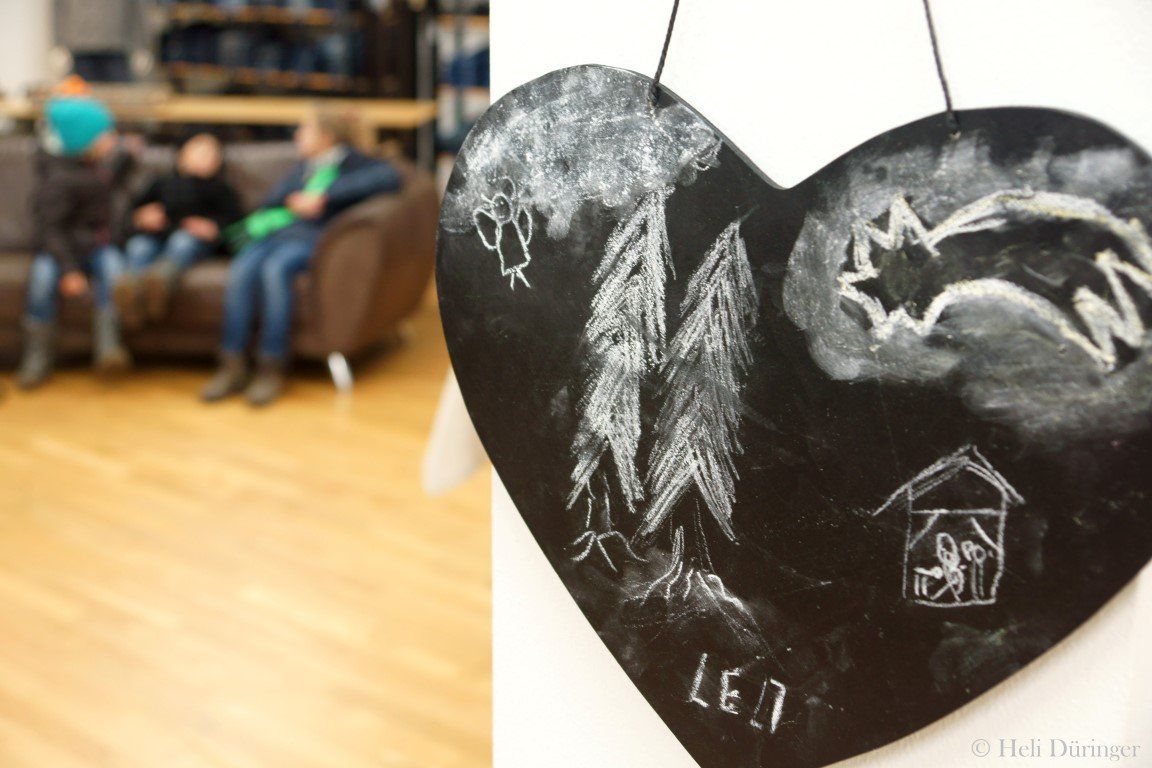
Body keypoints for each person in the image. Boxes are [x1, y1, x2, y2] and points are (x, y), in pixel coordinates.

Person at [201, 107, 402, 407]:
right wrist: (291, 199)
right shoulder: (303, 167)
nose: (296, 136)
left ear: (326, 136)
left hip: (311, 238)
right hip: (277, 234)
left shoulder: (353, 162)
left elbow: (388, 176)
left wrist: (325, 196)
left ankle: (271, 365)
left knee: (276, 270)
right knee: (243, 268)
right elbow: (272, 201)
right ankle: (232, 364)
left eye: (304, 130)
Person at [17, 90, 137, 390]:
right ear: (83, 140)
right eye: (107, 134)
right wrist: (69, 270)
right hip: (60, 250)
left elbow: (117, 171)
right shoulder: (58, 179)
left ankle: (109, 347)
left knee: (115, 270)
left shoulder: (97, 167)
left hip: (96, 246)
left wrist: (127, 150)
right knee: (42, 279)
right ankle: (37, 357)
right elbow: (50, 230)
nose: (113, 138)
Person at [115, 133, 242, 326]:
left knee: (182, 242)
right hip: (156, 235)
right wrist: (140, 217)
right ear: (182, 156)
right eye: (199, 151)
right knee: (138, 246)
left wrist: (214, 228)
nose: (206, 157)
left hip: (192, 239)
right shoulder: (162, 183)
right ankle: (131, 291)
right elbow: (133, 212)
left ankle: (160, 281)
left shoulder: (221, 189)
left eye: (212, 154)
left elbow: (236, 224)